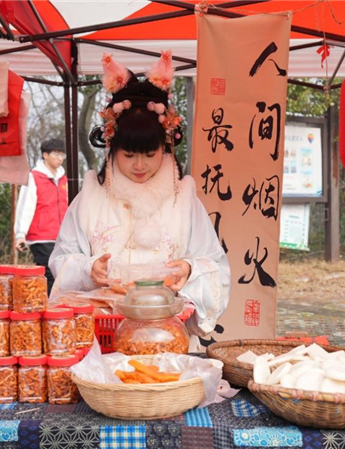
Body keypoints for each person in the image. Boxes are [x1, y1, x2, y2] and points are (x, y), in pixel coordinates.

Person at [49, 52, 230, 341]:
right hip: (99, 336)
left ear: (166, 147)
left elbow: (214, 264)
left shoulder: (183, 199)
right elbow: (62, 259)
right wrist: (88, 268)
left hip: (168, 335)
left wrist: (189, 268)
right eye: (129, 155)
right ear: (111, 147)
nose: (139, 165)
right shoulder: (91, 198)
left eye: (150, 154)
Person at [14, 138, 68, 294]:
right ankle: (50, 311)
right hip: (41, 236)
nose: (60, 158)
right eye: (56, 154)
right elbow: (26, 206)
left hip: (61, 236)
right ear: (45, 155)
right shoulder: (34, 177)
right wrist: (20, 234)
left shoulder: (64, 178)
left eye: (62, 155)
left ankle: (51, 308)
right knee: (49, 274)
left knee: (61, 275)